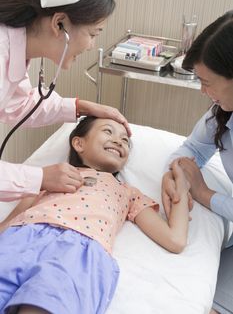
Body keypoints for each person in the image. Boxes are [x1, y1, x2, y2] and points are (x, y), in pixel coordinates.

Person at [0, 116, 190, 314]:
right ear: (79, 143)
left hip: (78, 251)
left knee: (44, 306)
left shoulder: (127, 192)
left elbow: (175, 239)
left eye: (125, 140)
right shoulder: (53, 174)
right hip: (23, 235)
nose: (119, 141)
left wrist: (182, 187)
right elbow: (15, 216)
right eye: (108, 131)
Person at [0, 0, 131, 202]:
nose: (91, 46)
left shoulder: (16, 46)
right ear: (59, 23)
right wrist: (39, 178)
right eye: (93, 34)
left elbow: (17, 105)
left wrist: (83, 107)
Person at [161, 10, 233, 314]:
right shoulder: (222, 112)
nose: (203, 91)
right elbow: (193, 148)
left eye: (207, 82)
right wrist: (174, 173)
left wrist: (204, 194)